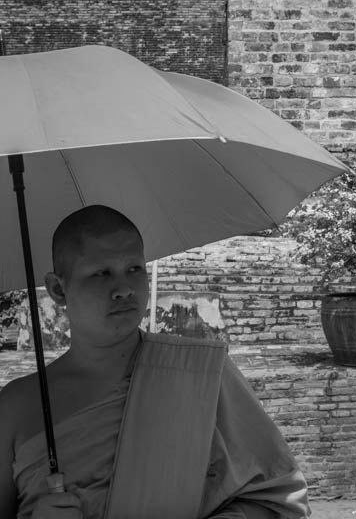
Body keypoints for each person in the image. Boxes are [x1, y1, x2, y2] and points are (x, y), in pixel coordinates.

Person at [0, 205, 310, 519]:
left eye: (134, 268)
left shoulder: (199, 373)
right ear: (57, 289)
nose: (124, 289)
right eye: (102, 273)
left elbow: (276, 501)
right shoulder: (17, 407)